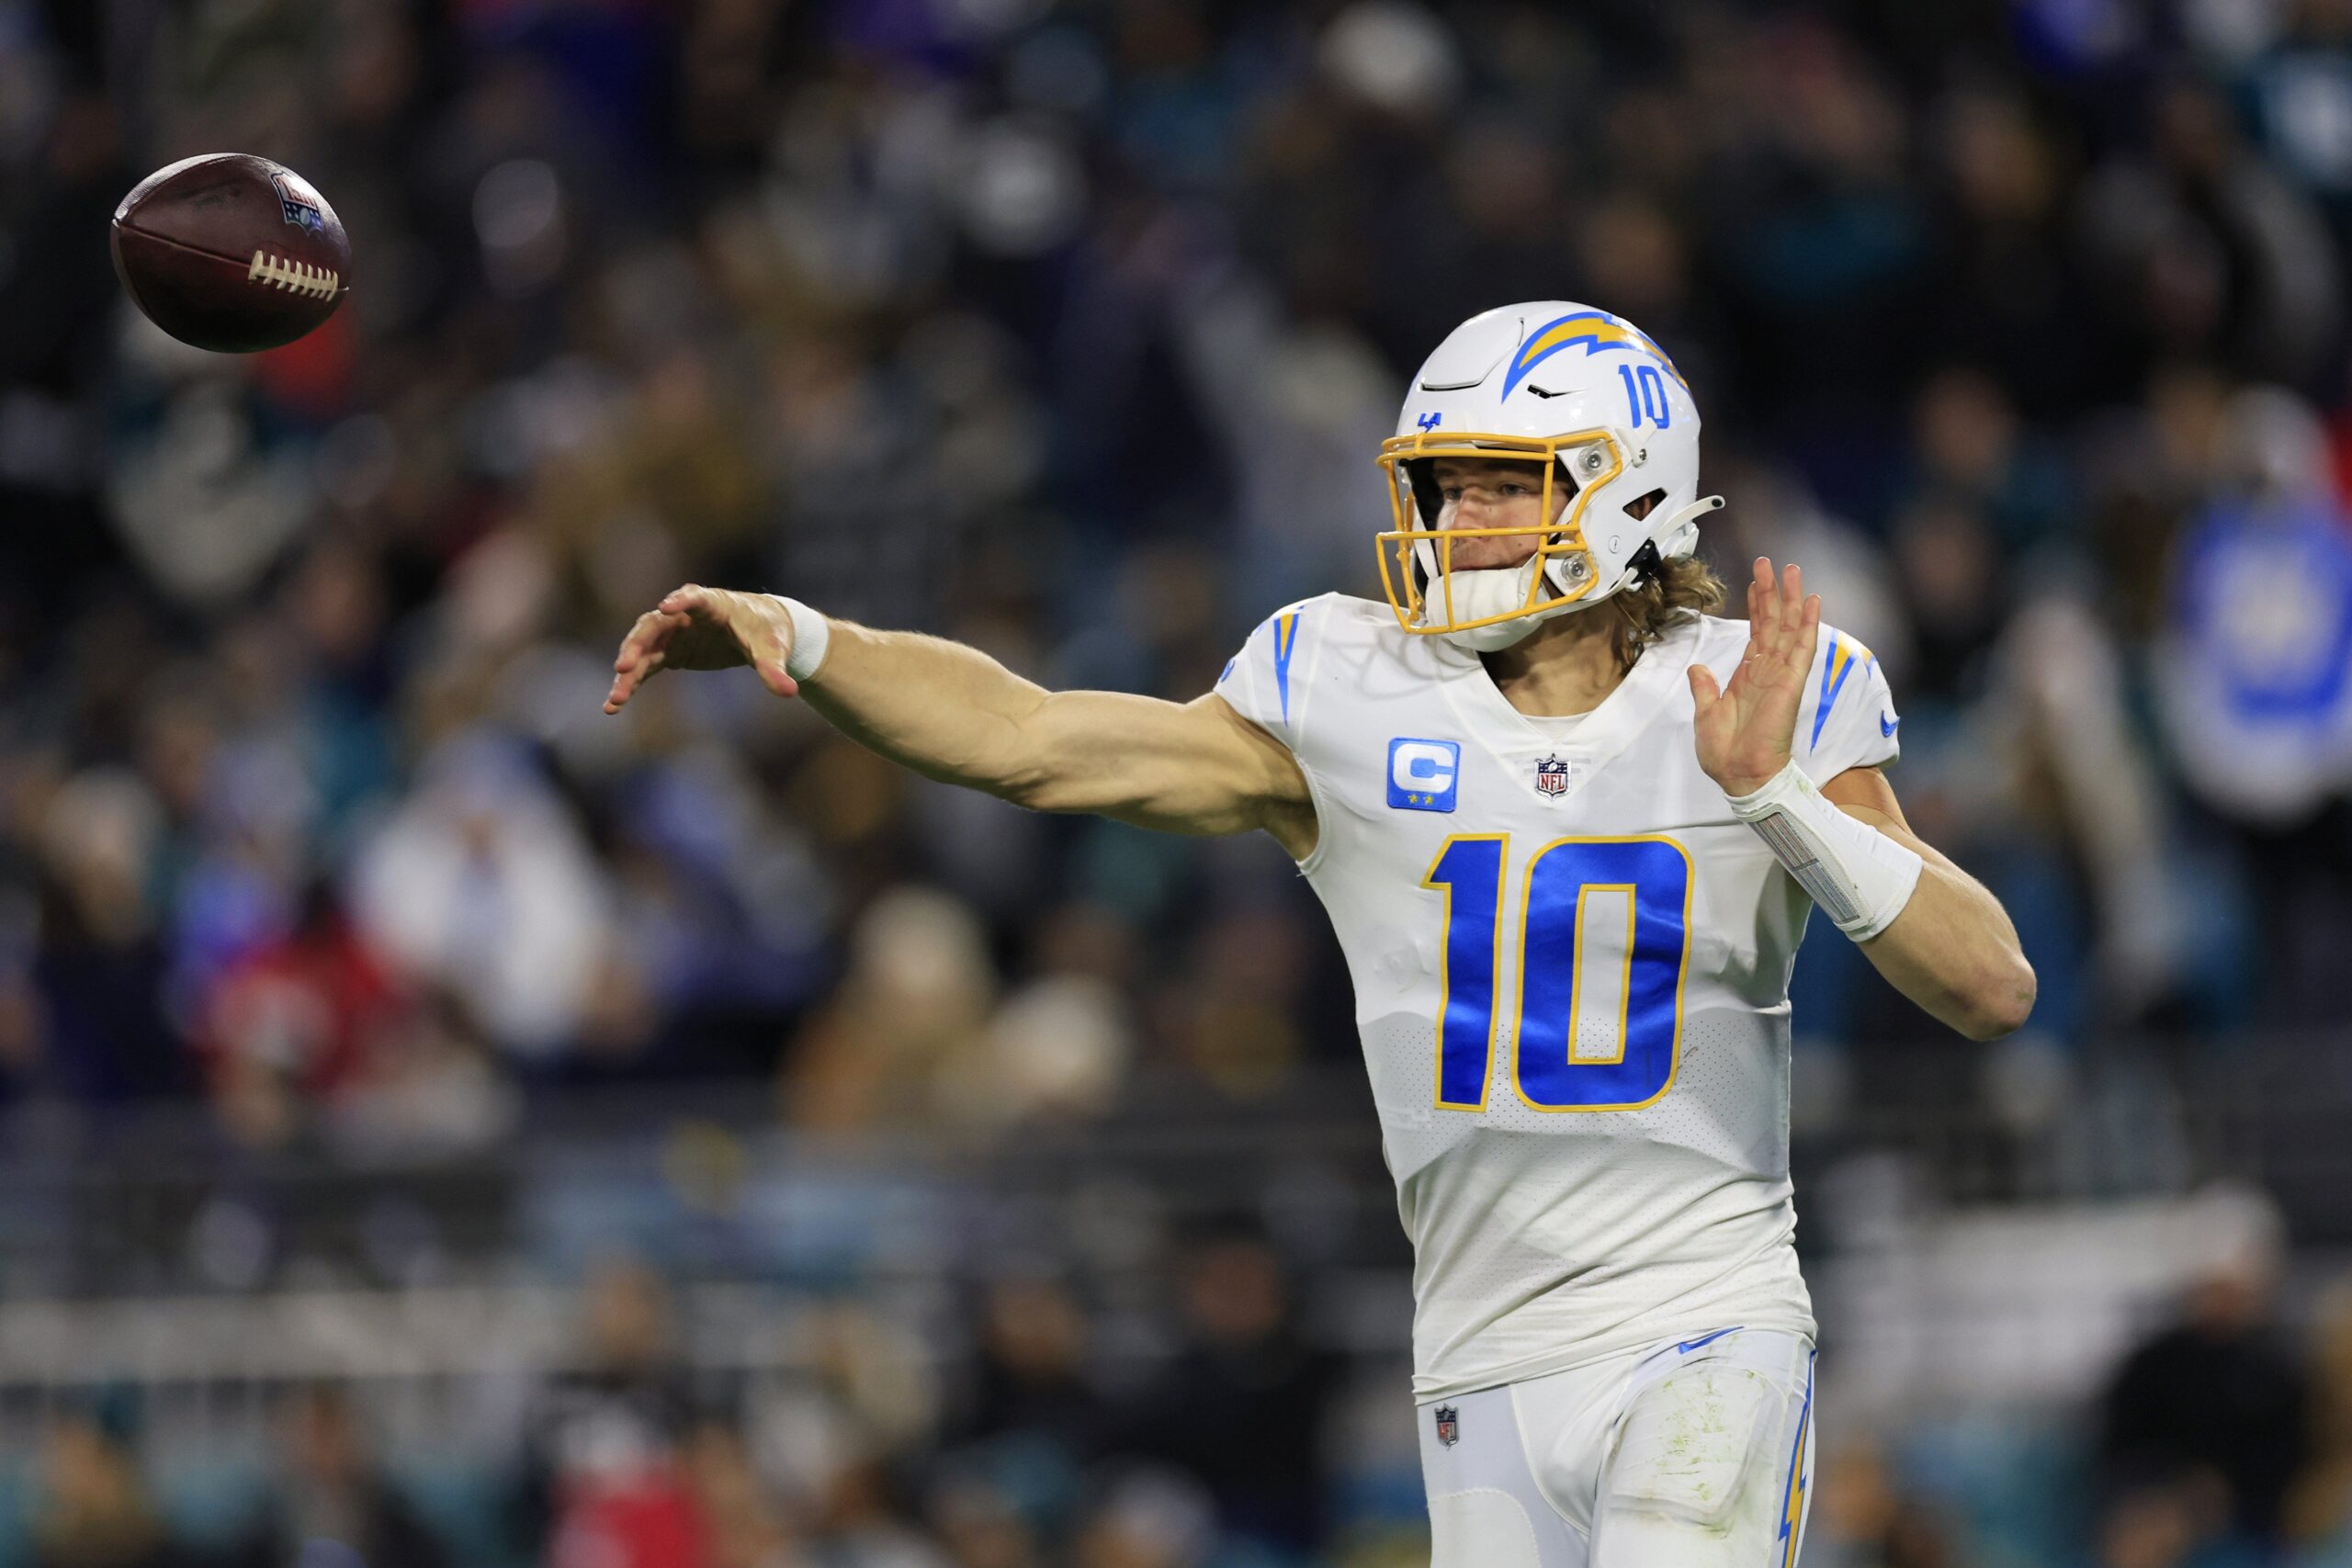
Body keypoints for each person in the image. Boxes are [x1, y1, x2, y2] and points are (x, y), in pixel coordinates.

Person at [604, 301, 2037, 1568]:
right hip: (1479, 1346)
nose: (1457, 524)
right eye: (1444, 488)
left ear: (1628, 493)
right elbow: (1032, 738)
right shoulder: (1351, 685)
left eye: (1500, 486)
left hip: (1700, 1312)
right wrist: (805, 637)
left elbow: (1990, 983)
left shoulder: (1757, 690)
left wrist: (1778, 795)